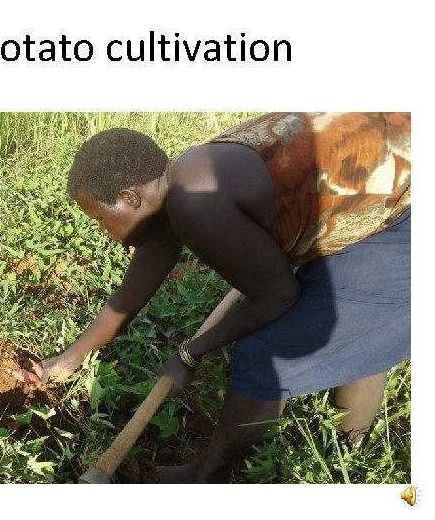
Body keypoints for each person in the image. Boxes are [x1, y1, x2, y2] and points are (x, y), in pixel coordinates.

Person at [20, 112, 411, 483]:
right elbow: (133, 289)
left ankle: (213, 475)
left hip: (408, 208)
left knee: (265, 353)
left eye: (101, 218)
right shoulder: (184, 178)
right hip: (388, 177)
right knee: (356, 323)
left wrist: (190, 353)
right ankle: (347, 445)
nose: (104, 230)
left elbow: (277, 296)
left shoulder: (196, 204)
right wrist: (71, 357)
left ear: (130, 197)